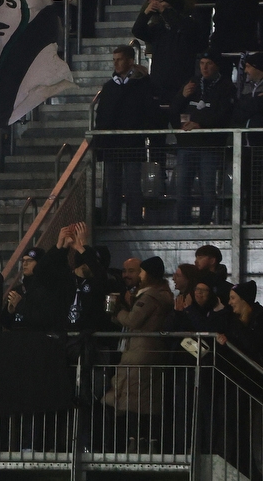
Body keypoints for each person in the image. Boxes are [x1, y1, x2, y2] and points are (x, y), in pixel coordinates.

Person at [103, 256, 173, 452]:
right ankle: (144, 441)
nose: (139, 275)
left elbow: (134, 321)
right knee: (143, 400)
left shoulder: (150, 297)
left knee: (134, 400)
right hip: (148, 353)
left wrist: (116, 310)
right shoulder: (160, 294)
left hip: (141, 354)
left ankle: (137, 442)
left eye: (141, 271)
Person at [94, 44, 159, 225]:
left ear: (130, 61)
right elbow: (102, 116)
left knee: (132, 186)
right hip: (112, 145)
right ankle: (113, 221)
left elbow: (150, 110)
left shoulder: (141, 85)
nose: (116, 64)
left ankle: (135, 220)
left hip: (132, 143)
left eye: (119, 59)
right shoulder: (109, 87)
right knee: (113, 187)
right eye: (114, 60)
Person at [170, 52, 235, 225]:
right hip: (187, 144)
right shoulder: (191, 84)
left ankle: (205, 222)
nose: (204, 67)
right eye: (202, 63)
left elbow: (224, 115)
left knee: (208, 189)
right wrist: (182, 96)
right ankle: (182, 222)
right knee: (182, 188)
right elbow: (173, 111)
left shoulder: (226, 86)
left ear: (217, 66)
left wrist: (200, 124)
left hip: (210, 146)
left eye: (209, 64)